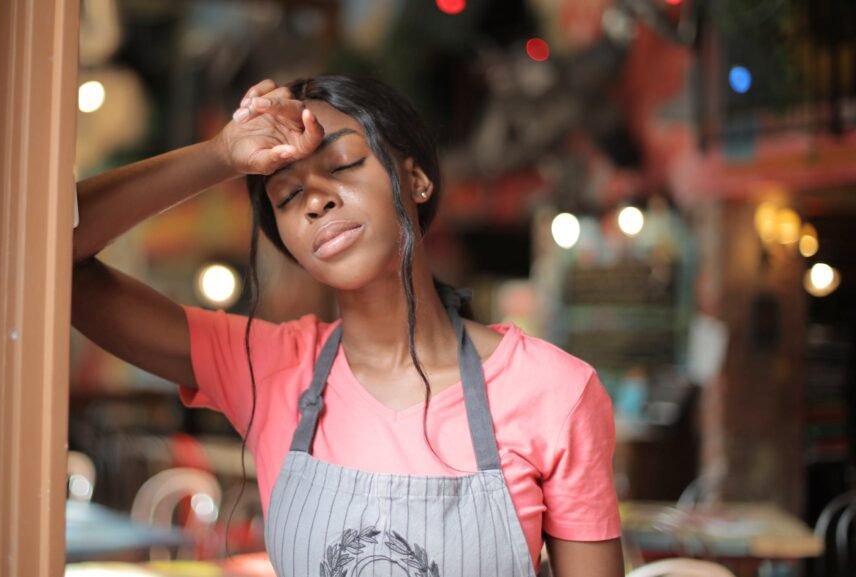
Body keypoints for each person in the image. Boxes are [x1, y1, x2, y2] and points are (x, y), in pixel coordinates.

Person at [72, 75, 624, 577]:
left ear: (417, 179)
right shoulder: (268, 366)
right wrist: (220, 156)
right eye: (287, 196)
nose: (316, 199)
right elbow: (56, 257)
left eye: (342, 167)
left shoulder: (554, 392)